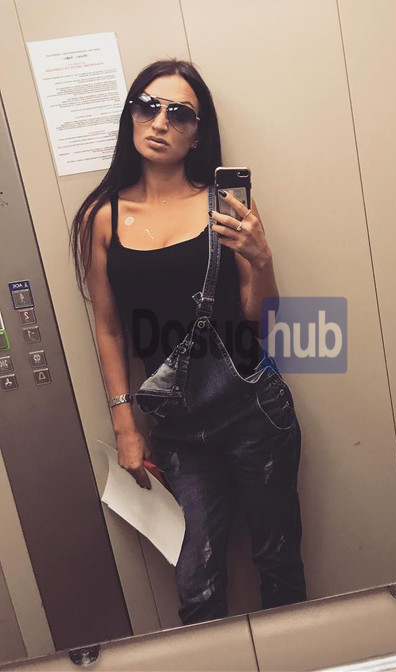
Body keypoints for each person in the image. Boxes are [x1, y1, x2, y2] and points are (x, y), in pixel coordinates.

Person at [71, 58, 306, 625]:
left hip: (254, 410)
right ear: (130, 115)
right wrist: (125, 428)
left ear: (198, 133)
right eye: (147, 106)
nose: (160, 122)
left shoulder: (225, 205)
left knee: (278, 564)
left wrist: (262, 260)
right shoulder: (103, 218)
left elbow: (262, 322)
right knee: (197, 589)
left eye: (179, 113)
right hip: (177, 428)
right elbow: (109, 328)